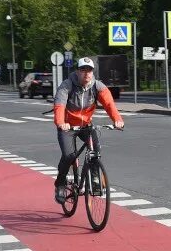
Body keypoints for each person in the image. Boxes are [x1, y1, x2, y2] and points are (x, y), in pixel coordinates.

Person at [52, 57, 124, 203]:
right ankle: (60, 184)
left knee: (95, 150)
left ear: (93, 72)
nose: (86, 73)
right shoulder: (67, 85)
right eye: (83, 70)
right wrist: (61, 123)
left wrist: (117, 120)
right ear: (77, 71)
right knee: (69, 156)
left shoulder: (98, 86)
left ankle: (95, 179)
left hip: (86, 125)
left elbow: (109, 104)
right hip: (68, 126)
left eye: (89, 70)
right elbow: (59, 106)